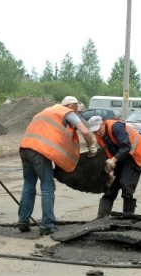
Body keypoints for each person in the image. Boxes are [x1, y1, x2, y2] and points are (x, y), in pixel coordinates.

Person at [17, 96, 97, 236]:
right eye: (76, 109)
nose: (76, 113)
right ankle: (47, 224)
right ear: (71, 106)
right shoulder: (67, 112)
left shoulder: (45, 111)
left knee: (29, 185)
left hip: (25, 147)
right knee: (47, 186)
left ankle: (23, 221)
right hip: (39, 151)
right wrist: (91, 146)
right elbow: (85, 131)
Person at [88, 115, 141, 218]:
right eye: (94, 131)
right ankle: (102, 217)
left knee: (126, 184)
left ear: (103, 124)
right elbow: (107, 153)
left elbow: (126, 147)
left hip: (136, 153)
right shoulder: (99, 137)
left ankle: (128, 217)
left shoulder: (116, 127)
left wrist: (113, 160)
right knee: (111, 184)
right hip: (121, 155)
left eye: (98, 130)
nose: (97, 133)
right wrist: (110, 170)